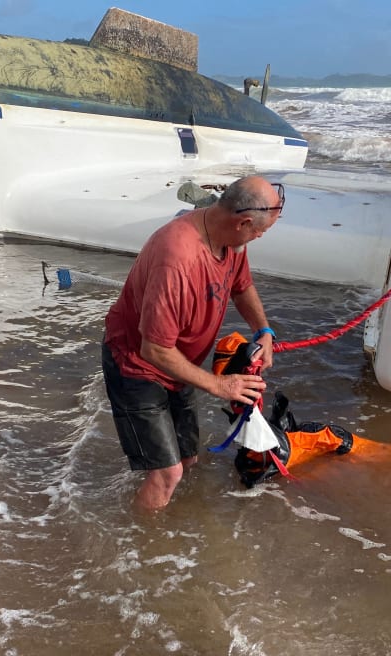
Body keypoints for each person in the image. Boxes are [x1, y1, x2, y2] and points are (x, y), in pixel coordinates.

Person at [101, 175, 285, 511]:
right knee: (168, 472)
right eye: (262, 231)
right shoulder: (177, 260)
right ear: (243, 221)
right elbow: (153, 349)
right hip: (136, 364)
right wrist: (219, 385)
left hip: (179, 361)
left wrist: (264, 331)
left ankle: (174, 525)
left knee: (188, 458)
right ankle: (140, 550)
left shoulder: (232, 242)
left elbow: (241, 287)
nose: (260, 237)